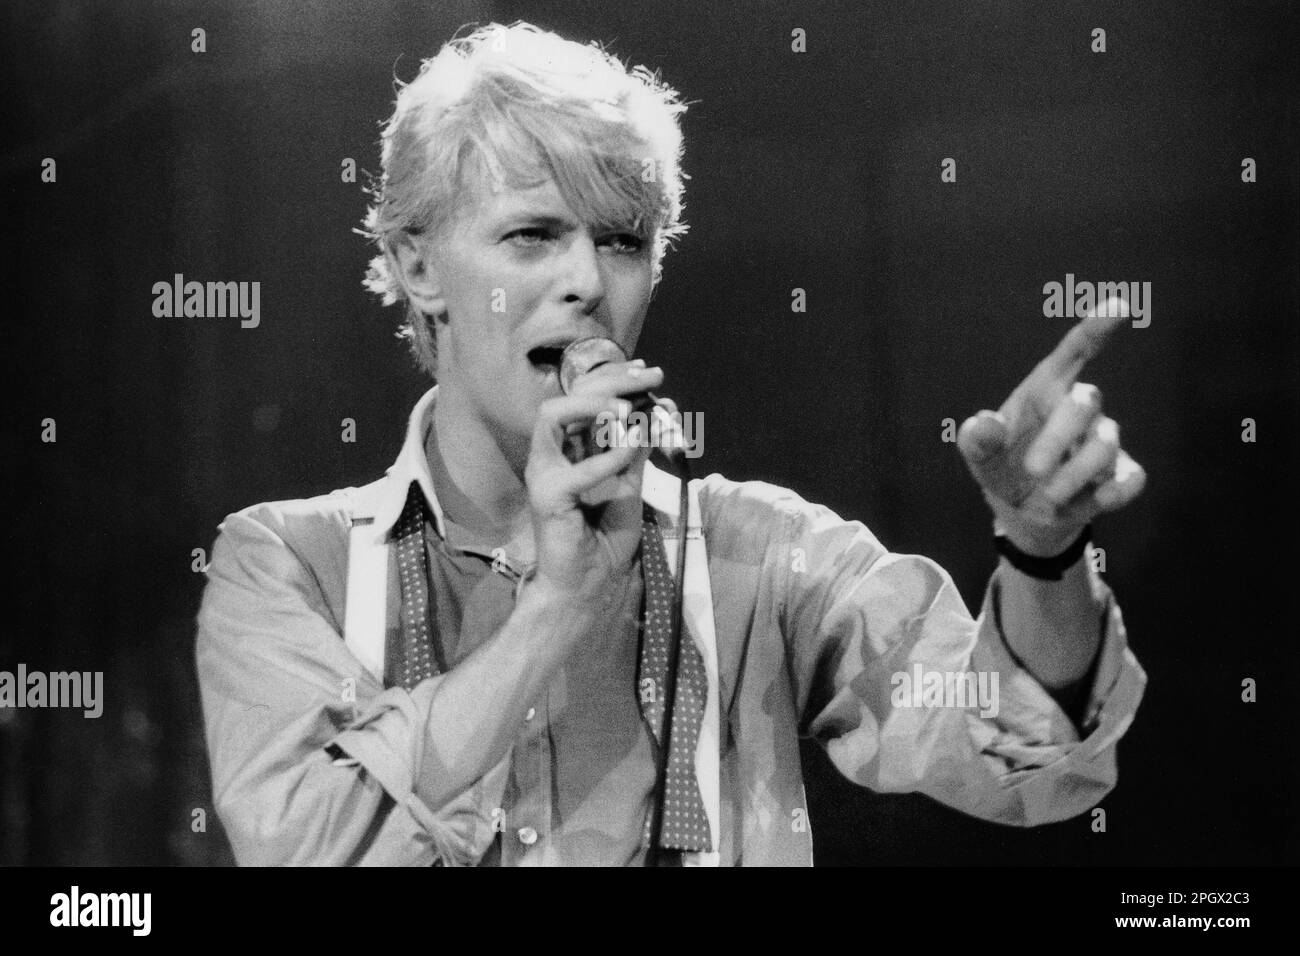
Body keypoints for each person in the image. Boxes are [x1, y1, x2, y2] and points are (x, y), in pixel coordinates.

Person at [195, 21, 1147, 866]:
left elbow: (1026, 761)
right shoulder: (286, 564)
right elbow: (310, 850)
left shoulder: (761, 554)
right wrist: (556, 609)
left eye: (621, 241)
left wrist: (1042, 553)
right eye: (532, 235)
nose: (584, 282)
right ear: (416, 266)